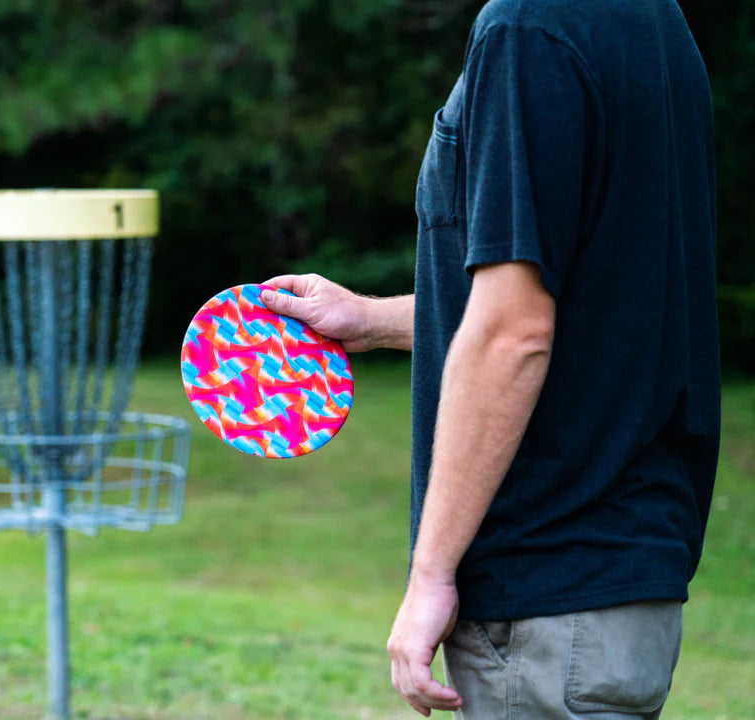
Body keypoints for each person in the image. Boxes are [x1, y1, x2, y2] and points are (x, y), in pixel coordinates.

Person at [260, 0, 719, 717]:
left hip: (542, 596)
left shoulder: (525, 27)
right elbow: (590, 304)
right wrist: (371, 321)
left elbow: (515, 333)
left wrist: (430, 573)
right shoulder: (654, 22)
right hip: (624, 586)